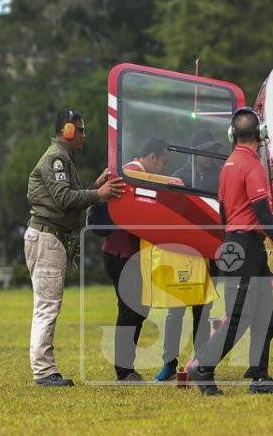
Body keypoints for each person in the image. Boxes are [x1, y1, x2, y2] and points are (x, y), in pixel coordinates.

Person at [188, 108, 273, 395]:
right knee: (240, 316)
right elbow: (261, 208)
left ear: (232, 135)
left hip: (240, 245)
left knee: (266, 317)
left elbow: (223, 211)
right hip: (246, 246)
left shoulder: (229, 165)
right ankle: (203, 368)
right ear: (260, 135)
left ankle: (259, 377)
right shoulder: (251, 165)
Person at [25, 109, 124, 387]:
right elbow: (65, 198)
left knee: (47, 304)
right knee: (47, 305)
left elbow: (69, 198)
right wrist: (99, 194)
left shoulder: (62, 157)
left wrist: (96, 186)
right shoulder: (57, 158)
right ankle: (44, 372)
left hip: (48, 237)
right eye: (80, 130)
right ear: (67, 131)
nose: (83, 135)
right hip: (47, 237)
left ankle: (43, 369)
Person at [155, 129, 223, 381]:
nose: (211, 156)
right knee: (175, 312)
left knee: (203, 311)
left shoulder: (219, 176)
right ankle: (169, 364)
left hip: (211, 253)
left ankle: (200, 362)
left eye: (212, 151)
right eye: (206, 151)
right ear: (194, 153)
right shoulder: (178, 178)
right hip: (183, 255)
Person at [101, 137, 169, 382]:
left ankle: (126, 368)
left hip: (125, 254)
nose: (163, 168)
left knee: (136, 309)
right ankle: (124, 370)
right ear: (151, 157)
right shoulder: (133, 174)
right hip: (122, 254)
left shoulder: (135, 173)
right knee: (130, 311)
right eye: (163, 162)